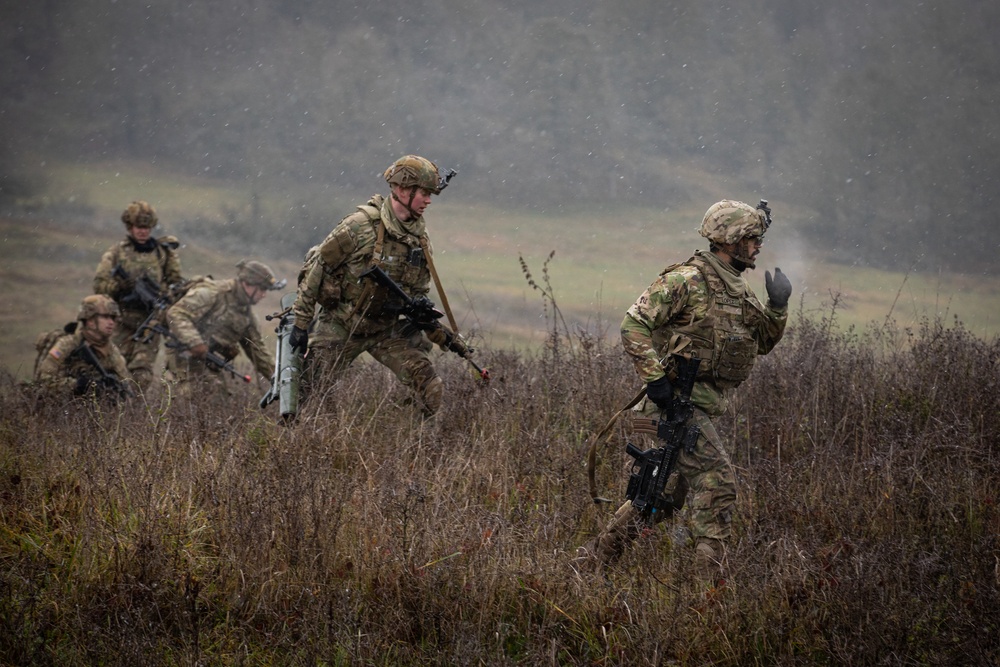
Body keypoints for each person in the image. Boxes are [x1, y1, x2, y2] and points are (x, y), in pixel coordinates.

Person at [585, 199, 792, 587]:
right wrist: (656, 381)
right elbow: (634, 324)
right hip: (672, 406)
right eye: (751, 239)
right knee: (718, 485)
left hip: (697, 409)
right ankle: (707, 595)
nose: (758, 247)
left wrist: (778, 306)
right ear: (730, 240)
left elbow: (762, 342)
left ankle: (592, 565)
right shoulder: (687, 280)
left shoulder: (737, 289)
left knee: (659, 499)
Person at [289, 155, 463, 417]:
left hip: (386, 328)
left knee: (431, 390)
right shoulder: (358, 226)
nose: (428, 200)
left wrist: (426, 316)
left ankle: (396, 441)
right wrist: (301, 325)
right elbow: (316, 272)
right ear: (403, 190)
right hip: (342, 324)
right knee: (305, 399)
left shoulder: (419, 239)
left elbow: (416, 291)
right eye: (425, 193)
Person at [93, 200, 183, 390]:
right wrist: (120, 287)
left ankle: (131, 412)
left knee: (141, 374)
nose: (143, 231)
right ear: (130, 227)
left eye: (147, 227)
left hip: (150, 322)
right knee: (111, 369)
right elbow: (99, 285)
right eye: (138, 227)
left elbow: (176, 283)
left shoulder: (162, 253)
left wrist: (165, 296)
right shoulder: (117, 253)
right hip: (120, 321)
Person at [163, 260, 280, 397]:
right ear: (247, 283)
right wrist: (195, 342)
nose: (264, 294)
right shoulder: (212, 293)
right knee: (189, 396)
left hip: (208, 361)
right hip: (184, 354)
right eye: (262, 289)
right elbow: (176, 313)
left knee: (217, 397)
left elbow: (258, 352)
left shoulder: (247, 315)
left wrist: (279, 379)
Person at [35, 294, 134, 399]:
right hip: (62, 407)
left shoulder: (112, 351)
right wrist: (77, 385)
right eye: (105, 317)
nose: (111, 322)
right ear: (90, 321)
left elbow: (127, 385)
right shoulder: (67, 345)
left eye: (113, 318)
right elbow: (44, 381)